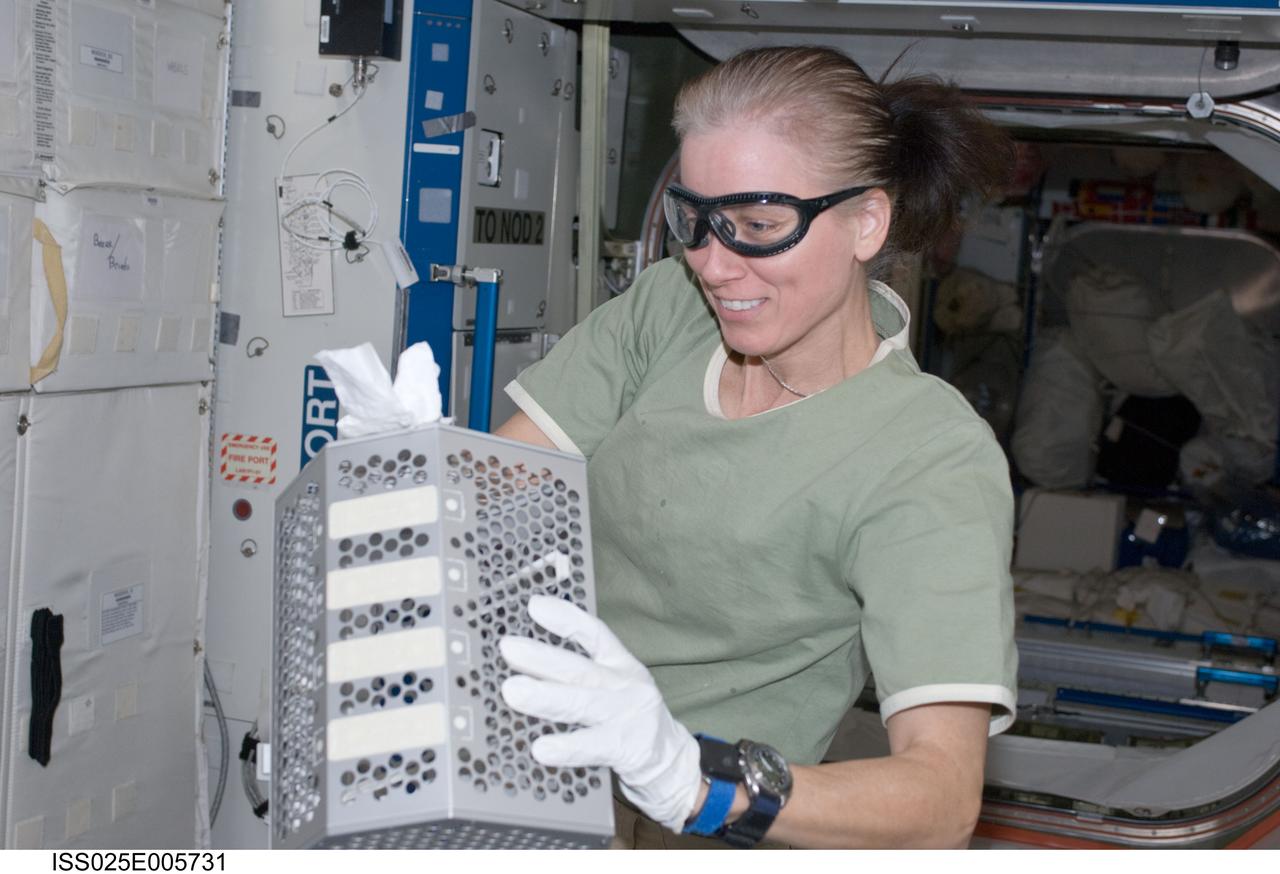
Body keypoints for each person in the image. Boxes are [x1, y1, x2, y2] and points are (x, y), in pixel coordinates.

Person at [493, 45, 1018, 849]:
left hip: (701, 824)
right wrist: (415, 476)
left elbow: (940, 797)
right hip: (525, 751)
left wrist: (694, 778)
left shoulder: (927, 456)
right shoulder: (670, 311)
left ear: (866, 222)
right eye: (693, 220)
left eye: (761, 226)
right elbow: (505, 484)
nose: (713, 262)